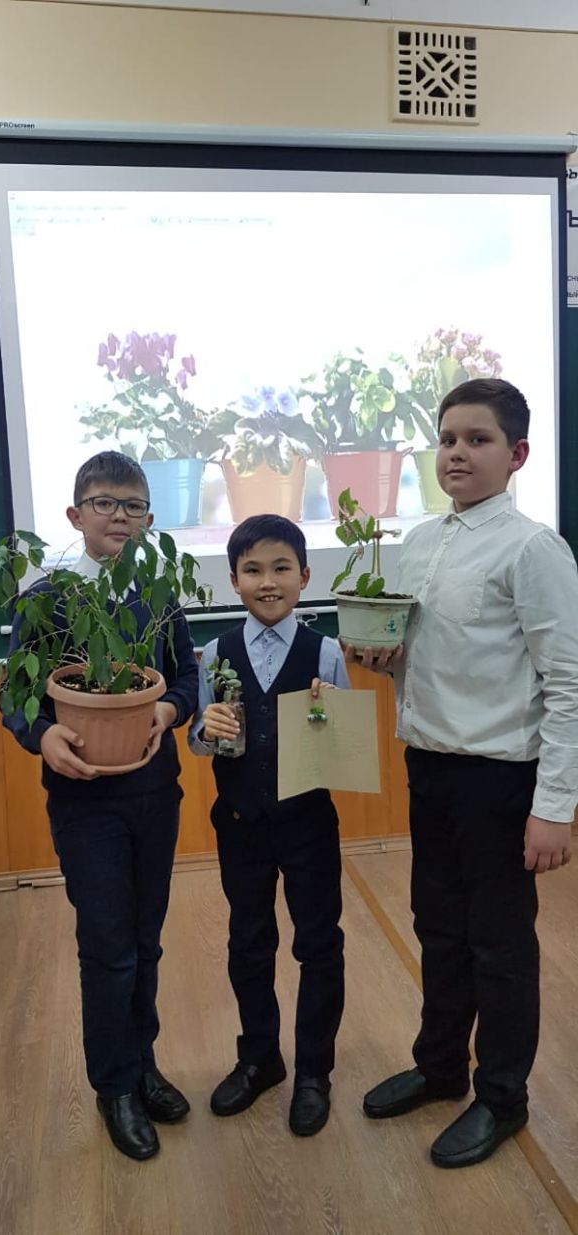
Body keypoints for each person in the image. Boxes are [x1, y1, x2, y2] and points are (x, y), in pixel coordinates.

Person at [356, 378, 578, 1168]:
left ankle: (503, 1098)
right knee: (439, 927)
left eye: (477, 439)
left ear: (517, 454)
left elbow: (567, 682)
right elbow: (431, 659)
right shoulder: (418, 542)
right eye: (447, 438)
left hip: (500, 782)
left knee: (500, 945)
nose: (456, 452)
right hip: (430, 769)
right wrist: (383, 661)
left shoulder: (533, 549)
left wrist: (555, 806)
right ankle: (442, 1066)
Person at [4, 451, 199, 1161]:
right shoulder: (48, 597)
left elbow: (185, 676)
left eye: (133, 505)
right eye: (104, 502)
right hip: (85, 801)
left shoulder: (160, 593)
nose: (119, 515)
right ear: (75, 514)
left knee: (146, 941)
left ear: (149, 518)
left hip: (154, 791)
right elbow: (17, 695)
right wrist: (43, 734)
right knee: (109, 947)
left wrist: (168, 711)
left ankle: (143, 1064)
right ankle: (113, 1085)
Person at [189, 514, 349, 1137]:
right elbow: (200, 738)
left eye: (282, 568)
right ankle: (260, 1057)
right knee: (249, 941)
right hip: (240, 824)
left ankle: (314, 1072)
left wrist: (329, 720)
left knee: (319, 943)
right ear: (233, 580)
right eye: (252, 570)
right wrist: (207, 729)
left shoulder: (326, 652)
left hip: (308, 824)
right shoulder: (215, 653)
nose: (268, 582)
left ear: (305, 576)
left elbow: (342, 747)